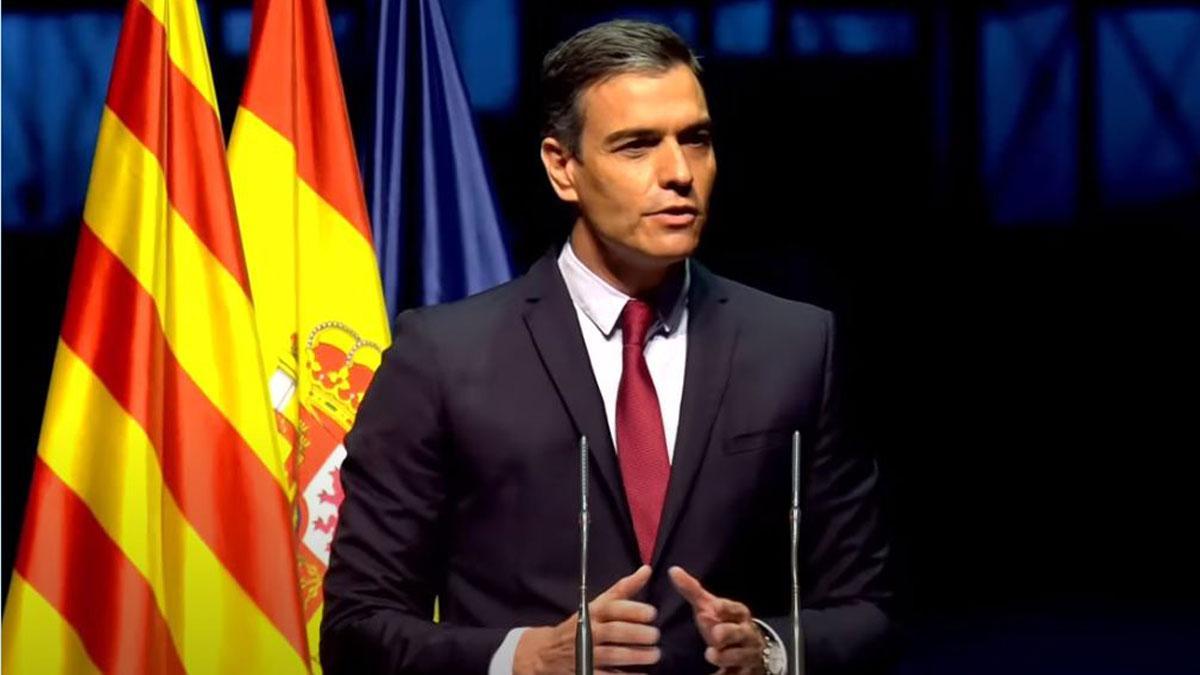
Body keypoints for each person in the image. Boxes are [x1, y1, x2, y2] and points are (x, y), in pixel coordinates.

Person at [321, 19, 892, 675]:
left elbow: (869, 612)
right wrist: (523, 657)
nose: (679, 172)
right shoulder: (443, 357)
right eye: (636, 145)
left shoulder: (796, 345)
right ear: (563, 169)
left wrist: (770, 646)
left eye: (696, 140)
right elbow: (355, 629)